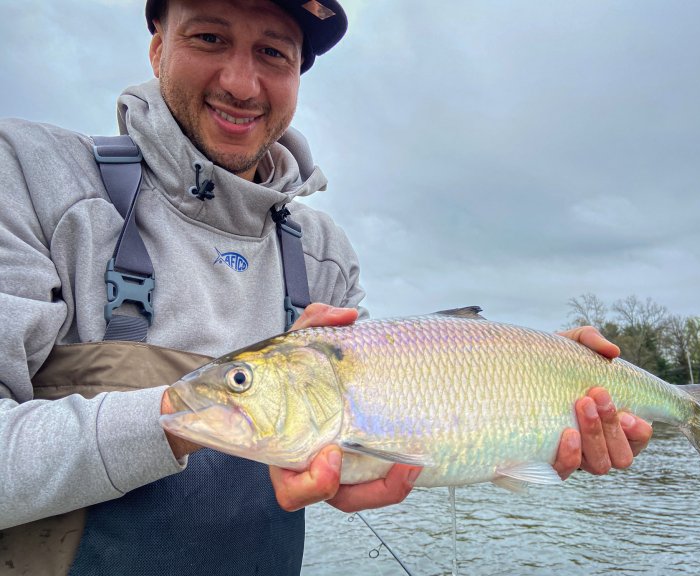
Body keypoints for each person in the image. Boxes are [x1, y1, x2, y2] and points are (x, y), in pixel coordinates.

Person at [0, 0, 653, 574]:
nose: (240, 81)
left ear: (298, 74)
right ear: (157, 44)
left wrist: (538, 371)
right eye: (208, 38)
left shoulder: (321, 250)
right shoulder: (30, 175)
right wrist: (175, 418)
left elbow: (389, 417)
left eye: (272, 52)